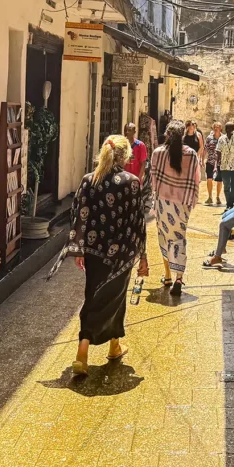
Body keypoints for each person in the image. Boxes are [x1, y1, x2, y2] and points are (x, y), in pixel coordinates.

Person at [62, 136, 146, 377]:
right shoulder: (131, 183)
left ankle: (98, 349)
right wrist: (143, 256)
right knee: (115, 297)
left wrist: (79, 250)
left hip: (93, 252)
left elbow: (80, 215)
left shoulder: (89, 180)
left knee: (93, 296)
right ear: (125, 157)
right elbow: (138, 222)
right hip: (121, 254)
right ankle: (97, 349)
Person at [149, 120, 201, 297]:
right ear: (183, 135)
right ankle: (179, 278)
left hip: (163, 202)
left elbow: (153, 180)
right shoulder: (192, 155)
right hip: (183, 205)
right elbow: (196, 180)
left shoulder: (158, 153)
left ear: (168, 135)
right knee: (178, 238)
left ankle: (168, 276)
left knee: (164, 237)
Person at [214, 122, 234, 209]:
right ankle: (229, 202)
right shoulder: (221, 139)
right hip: (224, 166)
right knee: (226, 185)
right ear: (225, 129)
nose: (229, 130)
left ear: (233, 129)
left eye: (230, 128)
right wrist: (217, 165)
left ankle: (230, 204)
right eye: (227, 128)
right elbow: (218, 151)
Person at [203, 122, 223, 206]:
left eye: (218, 127)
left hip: (220, 162)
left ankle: (218, 197)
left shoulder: (223, 138)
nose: (216, 128)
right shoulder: (209, 138)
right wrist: (202, 159)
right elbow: (205, 148)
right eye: (214, 127)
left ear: (220, 128)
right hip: (210, 161)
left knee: (219, 180)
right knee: (209, 179)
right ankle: (210, 197)